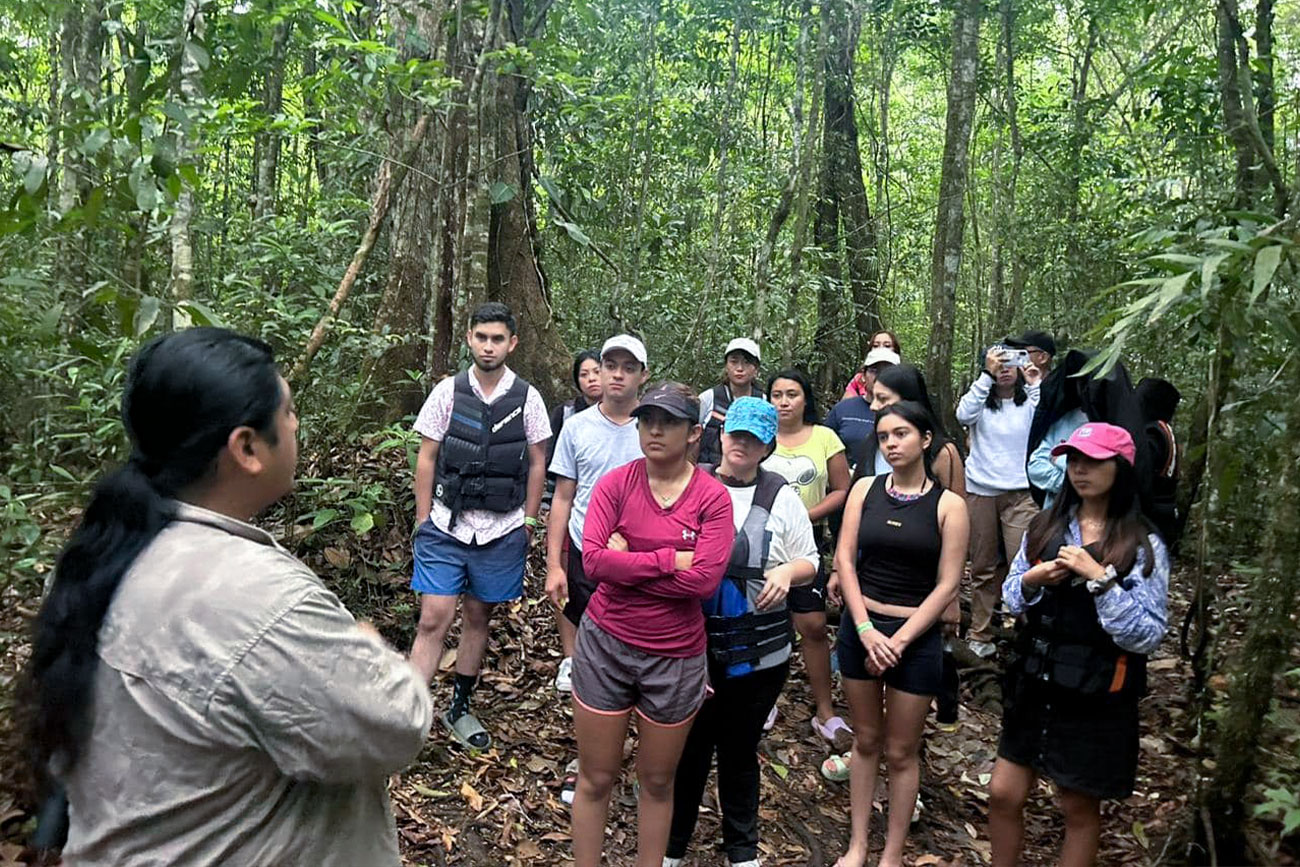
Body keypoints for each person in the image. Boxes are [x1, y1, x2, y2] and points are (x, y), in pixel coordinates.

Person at [25, 328, 433, 866]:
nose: (294, 425)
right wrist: (368, 646)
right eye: (287, 413)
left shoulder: (97, 557)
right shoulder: (260, 599)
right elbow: (396, 725)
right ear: (246, 447)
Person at [989, 423, 1169, 867]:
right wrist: (1033, 579)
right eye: (1073, 460)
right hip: (1036, 681)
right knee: (1003, 793)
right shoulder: (1047, 526)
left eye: (1093, 461)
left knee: (1077, 806)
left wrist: (1099, 580)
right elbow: (1011, 595)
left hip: (1096, 692)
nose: (1080, 470)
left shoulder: (1142, 545)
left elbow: (1148, 634)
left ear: (1121, 468)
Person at [569, 382, 734, 867]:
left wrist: (632, 563)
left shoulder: (712, 498)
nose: (655, 430)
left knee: (658, 782)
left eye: (669, 422)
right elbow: (594, 564)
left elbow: (704, 582)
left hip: (676, 656)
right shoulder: (616, 484)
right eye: (647, 420)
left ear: (693, 433)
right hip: (605, 646)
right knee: (596, 777)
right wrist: (668, 560)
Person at [665, 398, 819, 867]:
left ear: (767, 445)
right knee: (687, 750)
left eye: (753, 438)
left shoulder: (782, 496)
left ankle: (741, 850)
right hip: (691, 643)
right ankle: (672, 848)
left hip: (759, 651)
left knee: (739, 748)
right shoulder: (691, 484)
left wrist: (786, 573)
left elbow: (810, 561)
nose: (741, 444)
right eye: (735, 435)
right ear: (721, 436)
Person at [832, 401, 969, 867]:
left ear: (926, 439)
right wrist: (866, 629)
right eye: (885, 436)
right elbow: (845, 559)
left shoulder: (949, 505)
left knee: (901, 750)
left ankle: (891, 855)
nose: (892, 444)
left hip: (915, 636)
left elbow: (949, 582)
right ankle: (857, 845)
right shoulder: (864, 489)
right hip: (861, 626)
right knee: (866, 739)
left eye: (902, 434)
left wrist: (901, 639)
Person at [409, 302, 551, 750]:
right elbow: (427, 457)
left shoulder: (527, 397)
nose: (488, 346)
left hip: (502, 526)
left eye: (497, 339)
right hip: (446, 524)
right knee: (434, 617)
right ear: (469, 339)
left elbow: (536, 462)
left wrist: (528, 521)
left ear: (512, 343)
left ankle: (459, 707)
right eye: (481, 337)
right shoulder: (447, 392)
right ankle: (407, 718)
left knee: (477, 615)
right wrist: (421, 517)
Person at [545, 335, 649, 806]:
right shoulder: (578, 428)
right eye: (611, 364)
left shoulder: (655, 428)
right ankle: (587, 760)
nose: (618, 374)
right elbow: (563, 497)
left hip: (644, 566)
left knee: (642, 659)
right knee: (588, 663)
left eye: (629, 366)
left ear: (643, 375)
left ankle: (645, 763)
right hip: (586, 556)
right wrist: (553, 564)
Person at [763, 368, 852, 746]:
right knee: (763, 621)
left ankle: (825, 711)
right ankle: (764, 700)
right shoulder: (760, 436)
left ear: (805, 399)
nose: (784, 402)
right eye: (777, 395)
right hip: (760, 542)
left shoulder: (826, 438)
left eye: (792, 394)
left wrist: (803, 515)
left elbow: (842, 488)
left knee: (813, 624)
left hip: (806, 541)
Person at [956, 346, 1043, 659]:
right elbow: (963, 414)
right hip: (981, 491)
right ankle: (980, 633)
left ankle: (1025, 633)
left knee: (1023, 564)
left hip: (1021, 494)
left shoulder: (1029, 399)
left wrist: (1033, 380)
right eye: (999, 364)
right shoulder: (980, 400)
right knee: (982, 567)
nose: (1005, 369)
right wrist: (985, 375)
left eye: (1011, 364)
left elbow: (1044, 415)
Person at [1026, 349, 1145, 509]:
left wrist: (1060, 461)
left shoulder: (1118, 428)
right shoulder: (1063, 420)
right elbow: (1035, 467)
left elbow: (1116, 476)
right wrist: (1071, 485)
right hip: (1056, 516)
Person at [852, 364, 966, 498]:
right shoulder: (871, 443)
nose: (873, 406)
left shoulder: (943, 453)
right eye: (873, 398)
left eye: (882, 399)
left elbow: (958, 508)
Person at [544, 349, 603, 504]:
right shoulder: (565, 413)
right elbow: (549, 459)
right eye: (584, 374)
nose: (592, 379)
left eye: (597, 372)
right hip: (570, 495)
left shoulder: (624, 414)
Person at [825, 346, 901, 460]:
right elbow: (823, 447)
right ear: (863, 376)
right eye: (874, 370)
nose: (880, 376)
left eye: (887, 370)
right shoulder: (843, 409)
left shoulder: (906, 413)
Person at [698, 337, 764, 465]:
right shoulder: (708, 398)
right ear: (726, 367)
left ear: (756, 369)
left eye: (746, 363)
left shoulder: (763, 402)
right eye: (734, 362)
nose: (740, 368)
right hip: (708, 472)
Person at [1134, 377, 1182, 546]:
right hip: (1162, 515)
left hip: (1151, 518)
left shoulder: (1153, 433)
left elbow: (1139, 474)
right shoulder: (1163, 430)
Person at [841, 330, 904, 400]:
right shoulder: (859, 379)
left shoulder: (906, 380)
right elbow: (846, 405)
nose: (881, 349)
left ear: (895, 350)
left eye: (887, 346)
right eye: (876, 346)